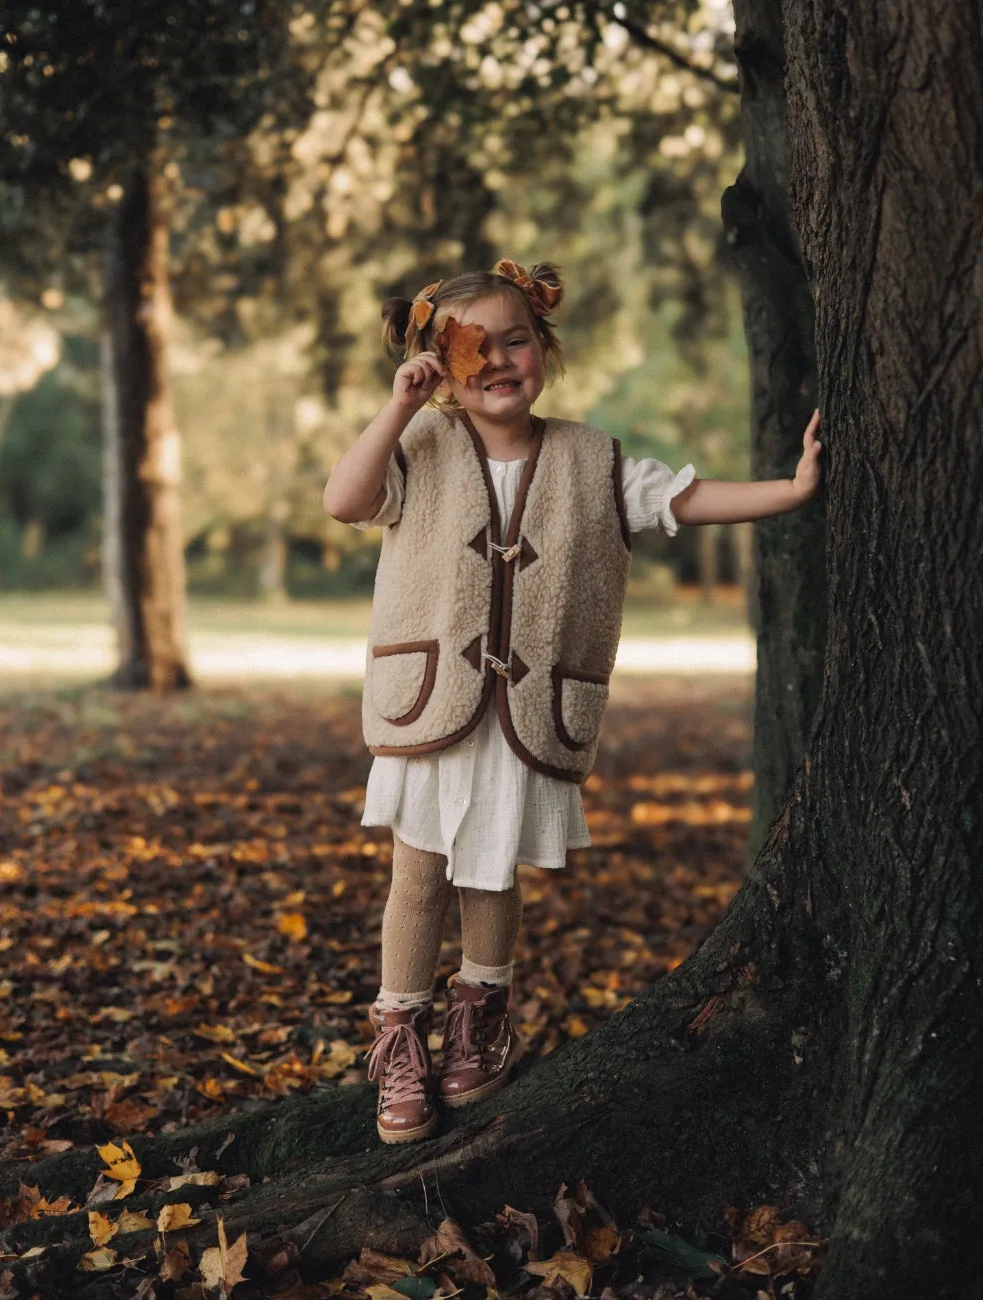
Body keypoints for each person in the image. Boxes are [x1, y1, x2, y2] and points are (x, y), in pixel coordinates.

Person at [323, 259, 822, 1145]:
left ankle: (479, 1015)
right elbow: (346, 499)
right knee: (419, 872)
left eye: (516, 339)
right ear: (441, 365)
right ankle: (399, 1035)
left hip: (527, 711)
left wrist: (789, 490)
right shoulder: (423, 447)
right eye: (472, 348)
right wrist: (398, 406)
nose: (500, 360)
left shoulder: (594, 459)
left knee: (493, 867)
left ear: (543, 346)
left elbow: (685, 498)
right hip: (432, 701)